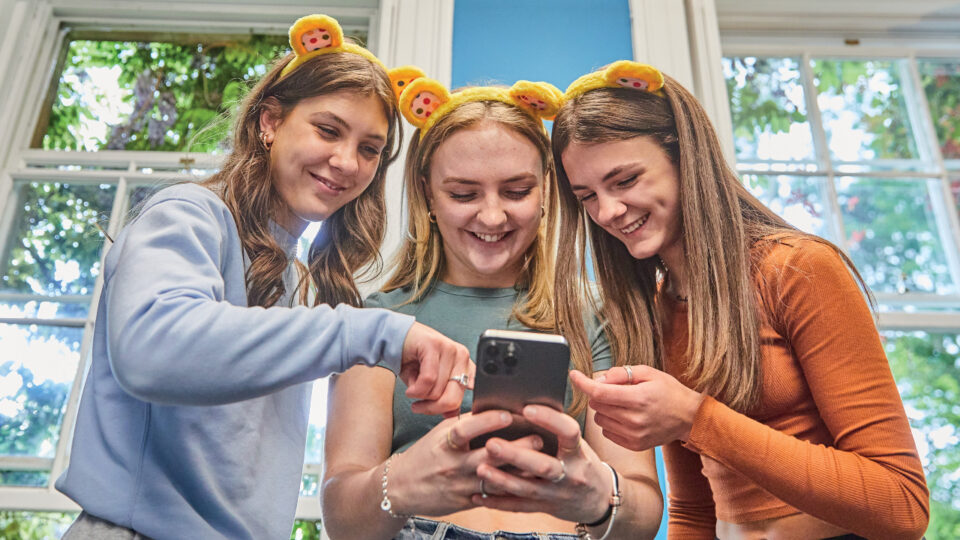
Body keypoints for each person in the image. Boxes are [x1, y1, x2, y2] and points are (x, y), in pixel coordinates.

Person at [55, 15, 472, 540]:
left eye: (370, 149)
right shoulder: (187, 214)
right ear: (269, 122)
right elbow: (153, 348)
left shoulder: (296, 279)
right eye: (328, 130)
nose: (347, 162)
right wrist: (374, 332)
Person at [550, 60, 930, 540]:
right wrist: (691, 423)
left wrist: (695, 417)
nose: (607, 211)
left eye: (625, 181)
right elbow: (692, 512)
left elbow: (902, 506)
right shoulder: (656, 308)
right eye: (587, 196)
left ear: (684, 157)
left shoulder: (797, 269)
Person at [321, 74, 663, 540]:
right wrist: (404, 480)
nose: (492, 217)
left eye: (518, 191)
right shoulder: (376, 323)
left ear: (546, 189)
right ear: (427, 195)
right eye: (463, 194)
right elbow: (343, 521)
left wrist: (597, 493)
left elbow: (642, 516)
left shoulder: (598, 313)